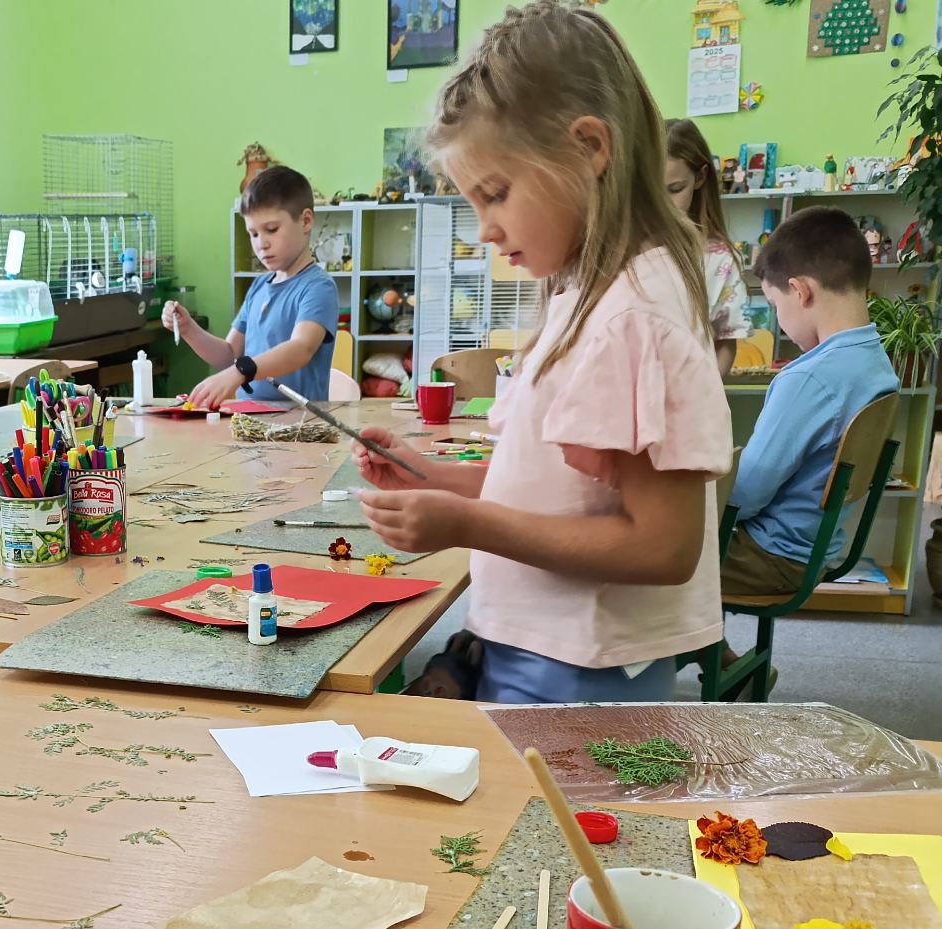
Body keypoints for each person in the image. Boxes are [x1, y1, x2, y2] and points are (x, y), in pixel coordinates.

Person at [352, 0, 732, 703]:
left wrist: (466, 524)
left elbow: (663, 546)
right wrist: (429, 476)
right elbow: (556, 490)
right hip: (545, 650)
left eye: (496, 194)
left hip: (583, 667)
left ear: (589, 148)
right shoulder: (585, 292)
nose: (484, 230)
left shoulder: (632, 313)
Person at [723, 207, 898, 596]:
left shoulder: (808, 379)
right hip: (816, 551)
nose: (778, 319)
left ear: (800, 291)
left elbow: (744, 496)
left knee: (647, 552)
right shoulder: (876, 363)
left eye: (774, 305)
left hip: (768, 556)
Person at [162, 166, 339, 409]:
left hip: (299, 423)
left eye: (272, 230)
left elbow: (301, 348)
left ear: (306, 221)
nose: (261, 244)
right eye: (253, 234)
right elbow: (229, 355)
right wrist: (188, 328)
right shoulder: (259, 286)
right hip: (250, 419)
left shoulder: (318, 287)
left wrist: (240, 371)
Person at [665, 118, 751, 374]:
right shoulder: (625, 252)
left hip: (692, 390)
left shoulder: (719, 259)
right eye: (651, 193)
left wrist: (707, 392)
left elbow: (726, 341)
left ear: (700, 177)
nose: (662, 205)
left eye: (675, 189)